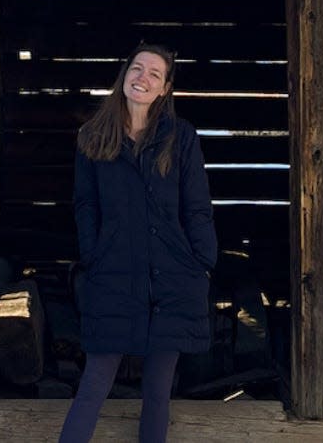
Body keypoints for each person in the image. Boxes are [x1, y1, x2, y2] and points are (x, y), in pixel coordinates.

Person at [59, 43, 218, 443]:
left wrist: (202, 261)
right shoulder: (93, 136)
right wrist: (92, 254)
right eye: (137, 68)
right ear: (124, 75)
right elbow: (85, 205)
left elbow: (197, 207)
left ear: (165, 89)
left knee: (158, 391)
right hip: (111, 274)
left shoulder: (180, 138)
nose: (142, 78)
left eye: (154, 74)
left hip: (174, 276)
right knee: (95, 381)